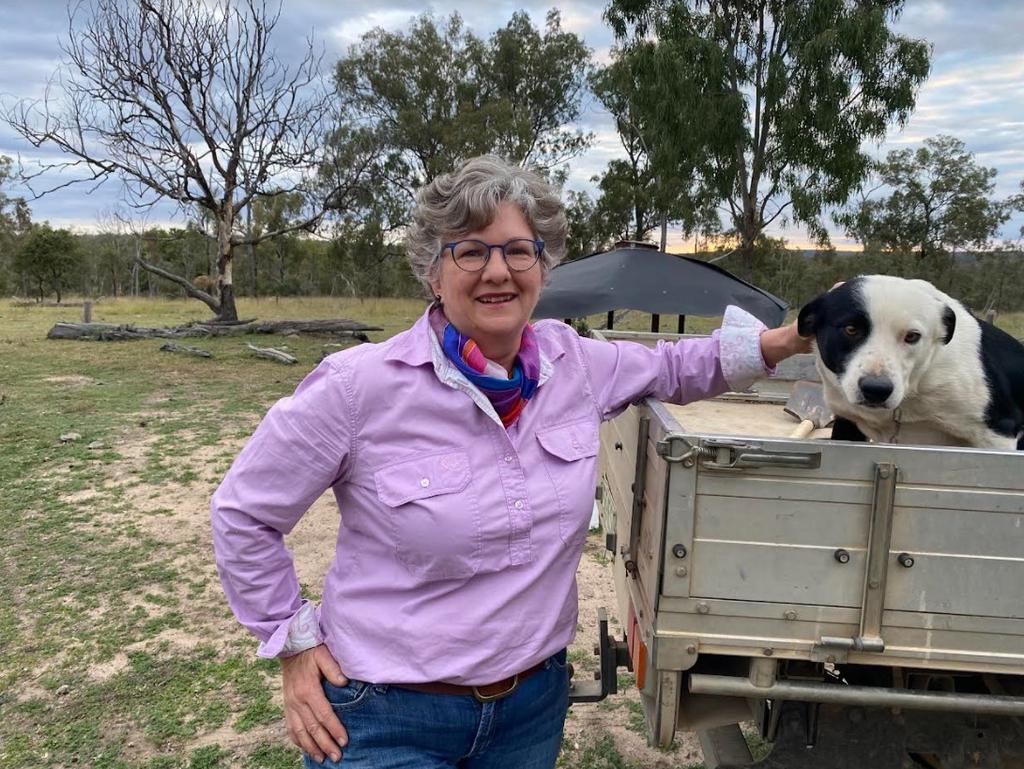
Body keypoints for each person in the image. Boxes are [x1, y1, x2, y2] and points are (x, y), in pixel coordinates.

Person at [210, 155, 811, 768]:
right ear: (433, 273)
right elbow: (243, 514)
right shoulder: (357, 386)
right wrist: (291, 643)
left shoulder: (572, 363)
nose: (497, 271)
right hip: (385, 716)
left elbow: (678, 367)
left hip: (529, 711)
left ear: (542, 268)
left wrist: (791, 340)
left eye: (519, 251)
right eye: (470, 252)